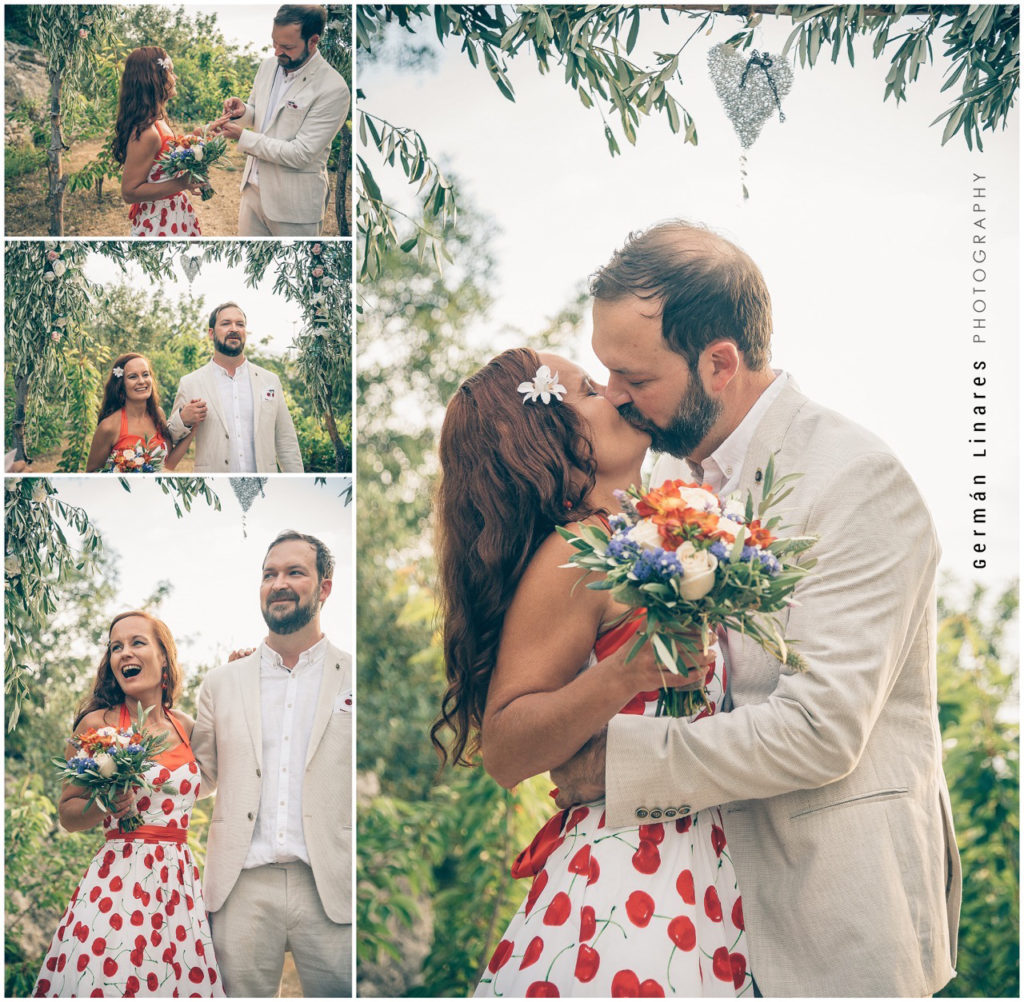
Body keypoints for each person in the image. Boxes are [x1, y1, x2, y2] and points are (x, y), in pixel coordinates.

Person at [550, 220, 962, 997]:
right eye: (606, 372)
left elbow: (820, 732)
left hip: (833, 914)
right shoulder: (664, 476)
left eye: (634, 376)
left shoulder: (856, 478)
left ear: (720, 362)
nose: (613, 395)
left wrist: (616, 763)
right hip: (693, 915)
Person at [433, 348, 751, 997]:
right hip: (625, 893)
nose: (615, 392)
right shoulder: (576, 552)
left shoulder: (649, 533)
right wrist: (621, 677)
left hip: (709, 871)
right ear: (541, 440)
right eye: (587, 389)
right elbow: (504, 746)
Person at [191, 531, 352, 997]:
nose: (278, 583)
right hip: (240, 884)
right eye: (269, 574)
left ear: (324, 587)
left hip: (331, 884)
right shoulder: (221, 682)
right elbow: (199, 779)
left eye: (294, 572)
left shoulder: (351, 675)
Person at [33, 611, 223, 998]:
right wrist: (106, 803)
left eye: (137, 642)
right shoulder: (95, 725)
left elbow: (231, 756)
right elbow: (68, 814)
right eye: (115, 647)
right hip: (118, 882)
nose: (124, 653)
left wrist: (239, 673)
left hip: (178, 888)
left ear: (163, 657)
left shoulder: (188, 727)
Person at [210, 5, 350, 236]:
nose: (277, 52)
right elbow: (259, 114)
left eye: (287, 47)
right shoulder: (267, 66)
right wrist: (243, 111)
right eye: (274, 42)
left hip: (294, 207)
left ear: (313, 41)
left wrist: (242, 137)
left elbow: (301, 153)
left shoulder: (333, 89)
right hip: (252, 193)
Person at [165, 303, 304, 473]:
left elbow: (286, 441)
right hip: (215, 488)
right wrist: (183, 419)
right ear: (211, 333)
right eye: (225, 323)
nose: (234, 329)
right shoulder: (190, 382)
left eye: (240, 324)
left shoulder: (270, 381)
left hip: (265, 488)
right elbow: (168, 439)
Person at [114, 47, 205, 237]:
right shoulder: (147, 133)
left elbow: (163, 157)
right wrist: (183, 183)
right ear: (155, 79)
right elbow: (129, 192)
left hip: (173, 212)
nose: (175, 77)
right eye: (170, 71)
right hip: (159, 223)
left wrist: (200, 134)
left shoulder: (158, 119)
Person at [86, 353, 194, 472]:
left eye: (145, 374)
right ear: (120, 385)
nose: (142, 381)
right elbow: (91, 474)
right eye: (133, 377)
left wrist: (194, 427)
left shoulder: (158, 414)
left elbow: (168, 465)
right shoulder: (109, 426)